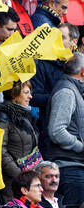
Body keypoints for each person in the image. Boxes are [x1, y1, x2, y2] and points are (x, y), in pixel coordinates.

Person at [30, 22, 79, 157]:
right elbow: (33, 97)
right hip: (50, 133)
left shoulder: (80, 64)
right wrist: (60, 97)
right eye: (55, 37)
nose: (57, 40)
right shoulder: (43, 63)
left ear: (73, 42)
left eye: (62, 37)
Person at [0, 81, 39, 203]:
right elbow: (0, 150)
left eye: (30, 93)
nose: (31, 96)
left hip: (26, 179)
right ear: (14, 94)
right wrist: (19, 174)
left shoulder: (24, 114)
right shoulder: (3, 116)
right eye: (26, 93)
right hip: (12, 182)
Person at [47, 52, 84, 207]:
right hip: (69, 168)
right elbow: (56, 131)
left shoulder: (73, 89)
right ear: (83, 72)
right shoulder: (66, 91)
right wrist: (80, 146)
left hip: (74, 167)